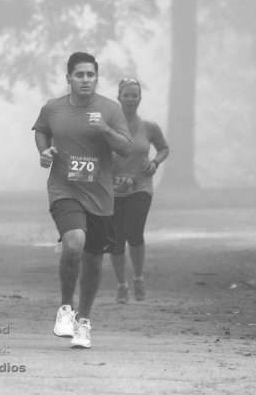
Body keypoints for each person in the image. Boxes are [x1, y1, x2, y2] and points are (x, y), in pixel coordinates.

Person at [32, 52, 132, 349]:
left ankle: (84, 322)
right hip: (65, 189)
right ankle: (65, 308)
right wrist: (44, 151)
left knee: (92, 259)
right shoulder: (53, 108)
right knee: (73, 242)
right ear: (69, 79)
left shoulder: (110, 110)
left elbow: (126, 148)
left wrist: (105, 129)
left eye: (90, 75)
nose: (86, 80)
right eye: (80, 75)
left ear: (96, 78)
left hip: (100, 195)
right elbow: (41, 131)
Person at [110, 78, 169, 303]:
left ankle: (138, 278)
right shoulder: (109, 128)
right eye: (127, 95)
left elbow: (164, 148)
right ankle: (121, 285)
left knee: (134, 233)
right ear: (119, 98)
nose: (131, 99)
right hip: (113, 190)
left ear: (140, 98)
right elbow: (99, 157)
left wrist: (154, 163)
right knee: (115, 240)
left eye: (135, 95)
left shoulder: (150, 127)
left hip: (141, 187)